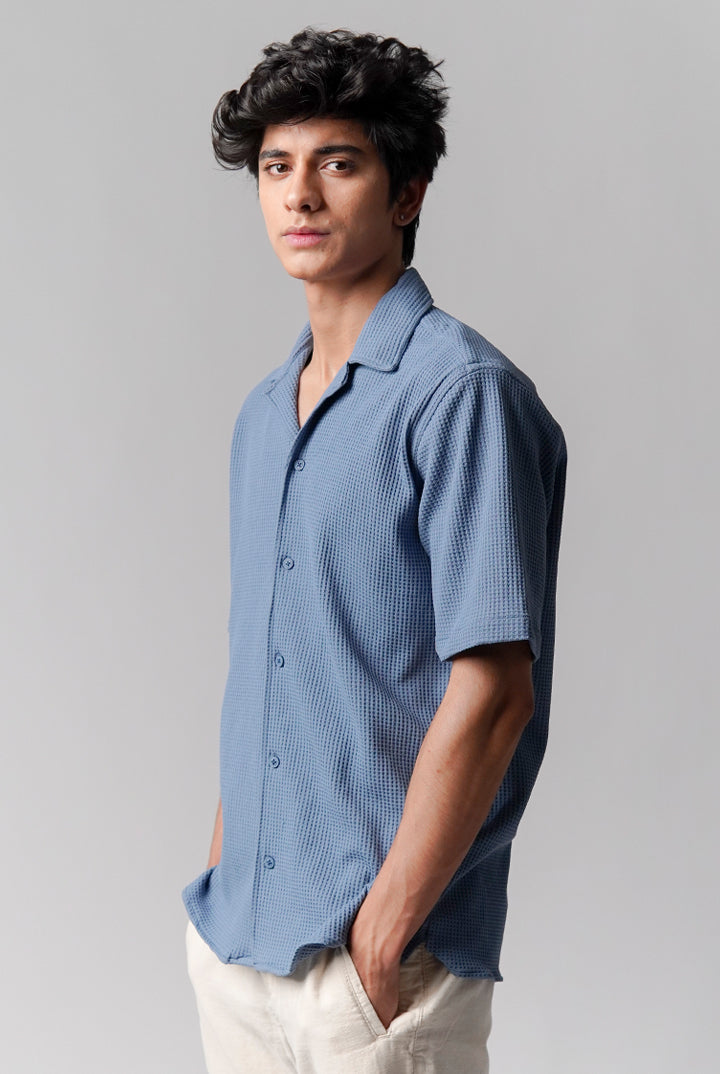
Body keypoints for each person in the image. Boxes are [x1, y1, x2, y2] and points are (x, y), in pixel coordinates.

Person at [182, 25, 567, 1074]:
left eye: (338, 164)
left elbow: (494, 691)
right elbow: (270, 665)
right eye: (276, 167)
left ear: (408, 194)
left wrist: (383, 938)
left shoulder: (463, 394)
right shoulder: (265, 414)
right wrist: (220, 888)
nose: (299, 195)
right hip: (241, 948)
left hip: (377, 971)